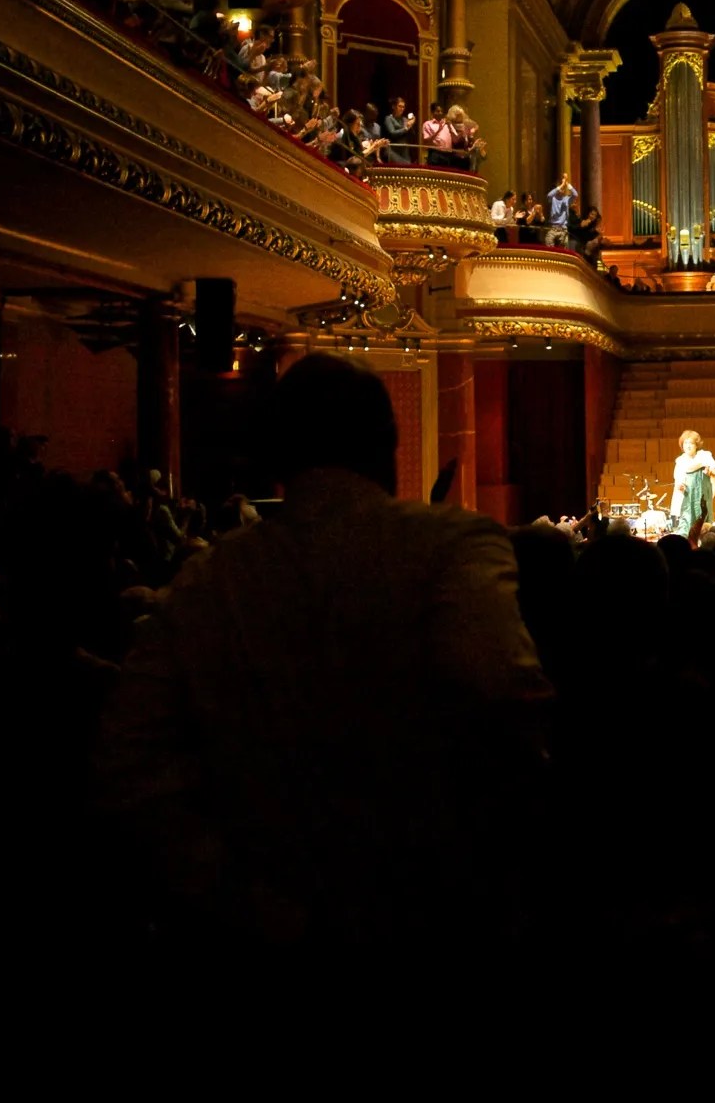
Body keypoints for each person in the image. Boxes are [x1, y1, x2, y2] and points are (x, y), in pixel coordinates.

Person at [96, 353, 552, 952]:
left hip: (257, 934)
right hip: (437, 922)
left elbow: (128, 767)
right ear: (387, 449)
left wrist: (245, 901)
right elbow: (508, 710)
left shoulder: (207, 580)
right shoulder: (456, 546)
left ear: (279, 455)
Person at [666, 429, 715, 538]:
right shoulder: (680, 460)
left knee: (703, 517)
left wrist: (709, 470)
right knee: (687, 517)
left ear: (696, 445)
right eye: (685, 443)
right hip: (688, 494)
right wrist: (679, 485)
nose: (688, 446)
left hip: (702, 493)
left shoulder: (704, 455)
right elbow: (678, 478)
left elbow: (714, 468)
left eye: (691, 443)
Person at [544, 173, 578, 249]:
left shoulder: (566, 199)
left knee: (563, 250)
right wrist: (562, 184)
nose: (562, 189)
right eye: (561, 187)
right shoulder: (553, 198)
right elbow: (549, 195)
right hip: (553, 228)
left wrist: (567, 183)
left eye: (563, 188)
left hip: (563, 229)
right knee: (548, 245)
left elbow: (575, 195)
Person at [380, 96, 417, 163]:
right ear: (393, 106)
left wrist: (411, 124)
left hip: (404, 151)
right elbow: (392, 133)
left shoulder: (405, 119)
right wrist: (406, 128)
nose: (402, 109)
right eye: (400, 106)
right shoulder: (388, 118)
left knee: (407, 170)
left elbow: (412, 136)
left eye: (403, 107)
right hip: (393, 151)